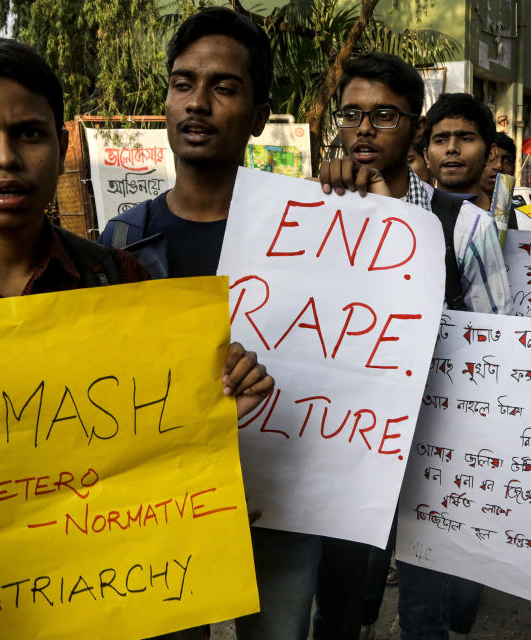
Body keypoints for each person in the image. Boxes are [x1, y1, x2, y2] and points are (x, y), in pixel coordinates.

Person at [0, 36, 272, 640]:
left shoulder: (120, 282)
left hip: (122, 602)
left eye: (30, 133)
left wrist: (216, 413)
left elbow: (161, 453)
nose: (5, 158)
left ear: (62, 142)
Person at [319, 65, 531, 640]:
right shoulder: (314, 209)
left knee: (426, 614)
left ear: (413, 128)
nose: (365, 130)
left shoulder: (463, 226)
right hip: (342, 450)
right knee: (342, 606)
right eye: (352, 114)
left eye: (385, 115)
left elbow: (505, 357)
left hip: (437, 453)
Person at [97, 10, 312, 640]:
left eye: (223, 87)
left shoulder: (314, 234)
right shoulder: (122, 242)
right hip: (162, 509)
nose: (197, 103)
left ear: (258, 114)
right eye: (182, 82)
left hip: (282, 498)